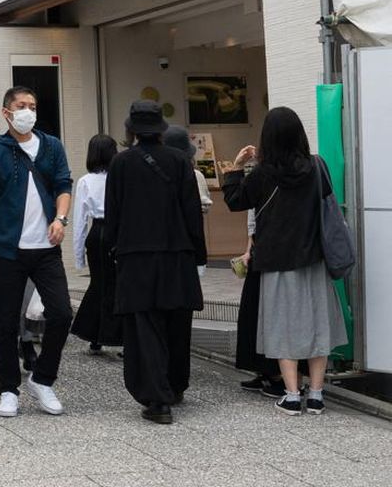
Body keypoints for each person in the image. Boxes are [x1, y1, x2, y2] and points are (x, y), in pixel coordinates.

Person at [222, 107, 347, 415]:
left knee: (282, 327)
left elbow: (236, 201)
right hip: (313, 260)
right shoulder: (317, 166)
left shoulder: (263, 173)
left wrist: (236, 168)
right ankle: (316, 395)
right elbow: (326, 205)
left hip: (276, 263)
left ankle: (292, 396)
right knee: (317, 326)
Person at [0, 86, 73, 418]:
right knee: (5, 321)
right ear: (7, 113)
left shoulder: (52, 146)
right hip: (7, 249)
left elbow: (63, 185)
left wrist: (60, 219)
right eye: (20, 106)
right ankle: (8, 389)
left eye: (31, 105)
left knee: (60, 313)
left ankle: (43, 379)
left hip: (46, 249)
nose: (27, 111)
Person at [104, 101, 205, 424]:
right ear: (161, 129)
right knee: (177, 323)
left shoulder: (121, 164)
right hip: (176, 254)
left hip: (136, 257)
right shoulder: (179, 161)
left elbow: (113, 214)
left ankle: (157, 399)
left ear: (131, 130)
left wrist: (112, 251)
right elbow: (192, 214)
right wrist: (198, 254)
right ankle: (175, 385)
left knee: (144, 327)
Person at [69, 134, 121, 355]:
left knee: (99, 283)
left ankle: (94, 335)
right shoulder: (120, 177)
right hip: (118, 231)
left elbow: (79, 219)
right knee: (119, 285)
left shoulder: (85, 181)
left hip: (97, 233)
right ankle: (115, 335)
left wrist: (78, 255)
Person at [234, 207, 283, 398]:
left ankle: (279, 377)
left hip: (274, 253)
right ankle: (264, 371)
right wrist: (249, 250)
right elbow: (252, 220)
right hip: (259, 251)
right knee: (253, 314)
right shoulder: (257, 179)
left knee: (266, 314)